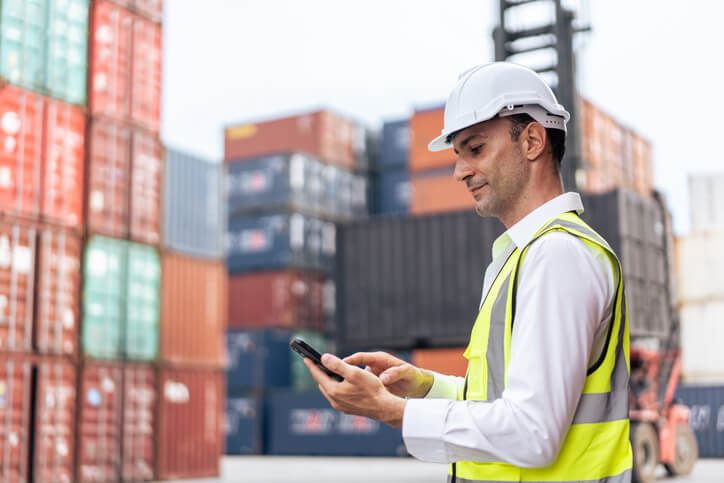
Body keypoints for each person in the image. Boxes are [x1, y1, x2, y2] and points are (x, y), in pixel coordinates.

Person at [303, 62, 633, 483]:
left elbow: (534, 432)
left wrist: (393, 412)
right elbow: (501, 400)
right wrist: (423, 386)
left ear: (532, 140)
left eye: (474, 149)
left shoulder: (557, 256)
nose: (459, 170)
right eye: (458, 154)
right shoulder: (520, 258)